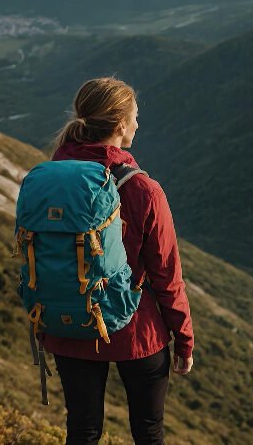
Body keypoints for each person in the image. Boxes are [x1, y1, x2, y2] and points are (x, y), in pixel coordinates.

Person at [44, 77, 194, 445]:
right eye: (135, 117)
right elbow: (167, 277)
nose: (138, 125)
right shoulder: (143, 189)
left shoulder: (51, 177)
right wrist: (184, 339)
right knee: (148, 432)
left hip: (69, 323)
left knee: (82, 431)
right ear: (121, 124)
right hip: (135, 330)